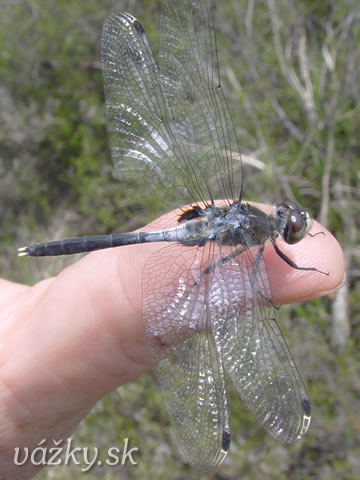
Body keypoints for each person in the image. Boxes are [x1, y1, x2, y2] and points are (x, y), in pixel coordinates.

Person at [0, 205, 345, 479]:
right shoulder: (261, 237)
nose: (291, 223)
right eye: (293, 224)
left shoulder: (252, 221)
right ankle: (36, 249)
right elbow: (255, 284)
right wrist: (307, 273)